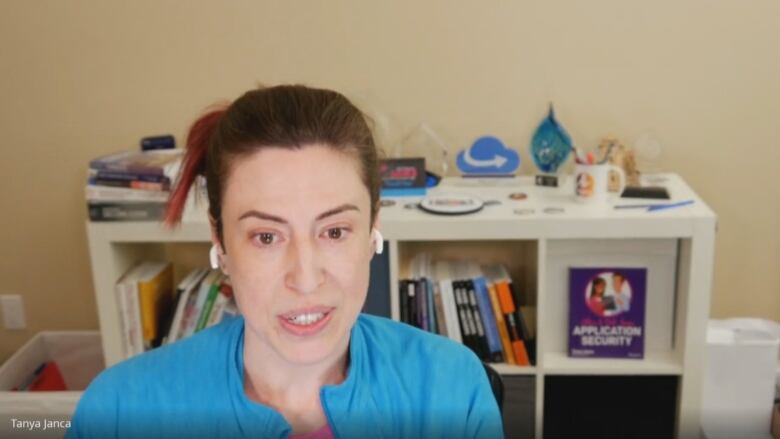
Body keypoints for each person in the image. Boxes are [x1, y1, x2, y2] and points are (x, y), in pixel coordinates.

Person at [66, 85, 503, 439]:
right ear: (220, 241)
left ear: (373, 229)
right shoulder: (119, 411)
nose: (306, 278)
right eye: (267, 237)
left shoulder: (453, 390)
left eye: (334, 232)